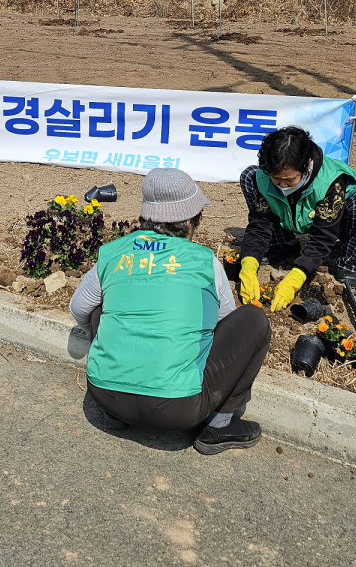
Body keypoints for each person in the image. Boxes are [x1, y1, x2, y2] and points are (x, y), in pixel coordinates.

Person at [69, 168, 270, 455]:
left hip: (106, 395)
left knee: (102, 303)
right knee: (253, 320)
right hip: (177, 409)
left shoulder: (114, 252)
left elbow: (78, 308)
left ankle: (117, 413)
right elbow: (226, 321)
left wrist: (97, 339)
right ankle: (219, 426)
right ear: (189, 219)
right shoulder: (204, 261)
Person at [233, 126, 356, 313]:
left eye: (289, 180)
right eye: (277, 178)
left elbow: (322, 237)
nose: (282, 185)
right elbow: (260, 225)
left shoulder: (330, 181)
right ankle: (285, 243)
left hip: (339, 222)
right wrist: (248, 265)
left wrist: (295, 278)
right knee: (249, 176)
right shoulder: (265, 175)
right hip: (295, 217)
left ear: (306, 165)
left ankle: (347, 262)